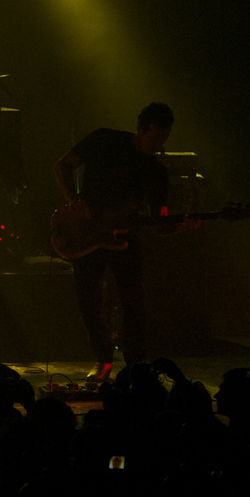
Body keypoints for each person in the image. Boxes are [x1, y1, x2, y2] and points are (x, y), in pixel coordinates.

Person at [53, 101, 198, 380]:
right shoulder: (104, 139)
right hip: (86, 233)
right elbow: (62, 167)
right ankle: (103, 360)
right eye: (156, 136)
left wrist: (180, 227)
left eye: (165, 137)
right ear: (140, 129)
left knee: (134, 305)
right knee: (88, 301)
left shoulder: (155, 172)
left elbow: (160, 221)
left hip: (125, 239)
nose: (159, 143)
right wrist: (74, 201)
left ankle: (136, 368)